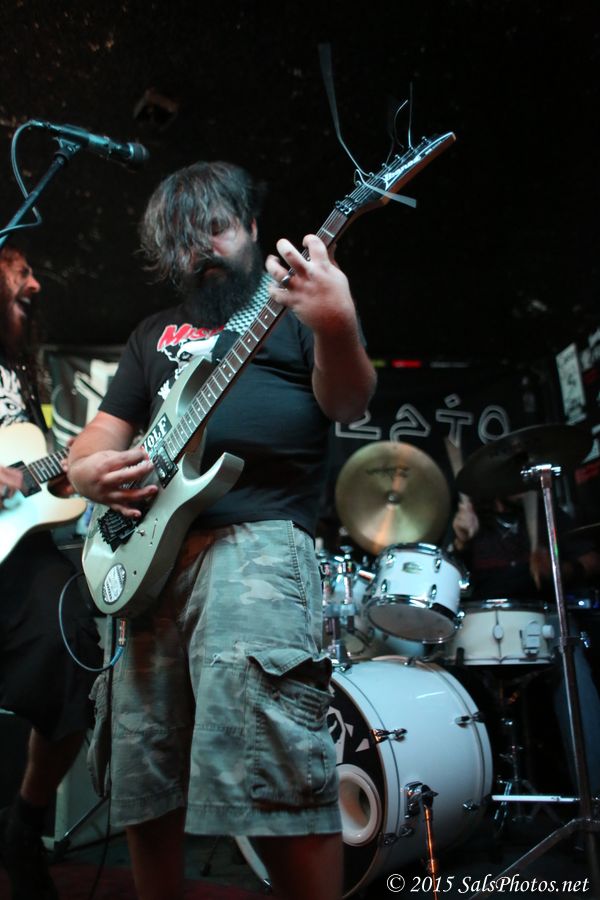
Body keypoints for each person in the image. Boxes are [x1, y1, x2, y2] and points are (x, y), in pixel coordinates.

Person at [67, 160, 377, 900]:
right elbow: (99, 435)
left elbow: (347, 402)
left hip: (256, 544)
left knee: (272, 768)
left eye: (216, 227)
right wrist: (84, 471)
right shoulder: (152, 335)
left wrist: (335, 321)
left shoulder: (296, 306)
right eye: (182, 239)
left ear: (252, 228)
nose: (202, 247)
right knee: (143, 773)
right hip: (149, 564)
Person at [0, 242, 102, 900]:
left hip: (20, 556)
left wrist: (63, 475)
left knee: (79, 659)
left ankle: (25, 822)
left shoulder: (18, 368)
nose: (36, 283)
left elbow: (30, 469)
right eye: (21, 271)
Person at [450, 491, 600, 796]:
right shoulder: (469, 518)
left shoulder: (545, 512)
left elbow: (592, 558)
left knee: (572, 666)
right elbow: (447, 582)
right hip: (479, 626)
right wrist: (460, 544)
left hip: (542, 619)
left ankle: (593, 797)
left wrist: (560, 569)